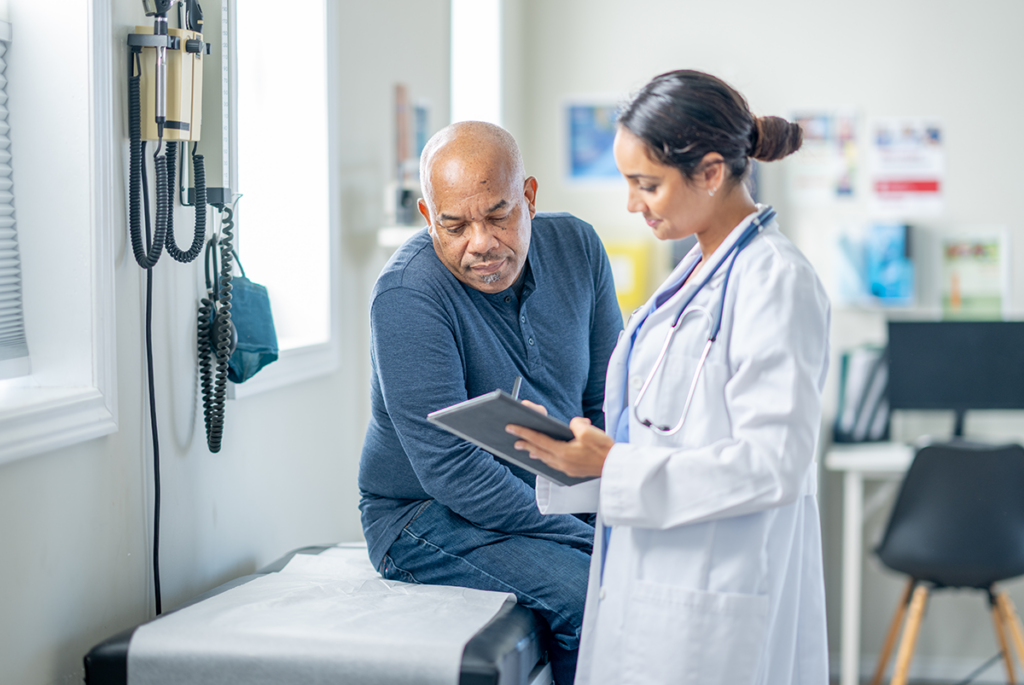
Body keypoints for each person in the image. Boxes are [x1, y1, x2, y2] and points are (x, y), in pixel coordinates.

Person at [507, 70, 831, 684]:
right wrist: (581, 462)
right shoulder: (693, 273)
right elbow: (665, 435)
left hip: (717, 590)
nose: (632, 204)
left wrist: (614, 467)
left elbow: (775, 463)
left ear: (710, 172)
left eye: (646, 184)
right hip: (654, 575)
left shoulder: (775, 281)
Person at [357, 121, 623, 684]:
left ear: (528, 197)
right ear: (430, 220)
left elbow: (606, 402)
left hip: (552, 492)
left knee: (647, 573)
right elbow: (450, 469)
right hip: (424, 515)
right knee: (593, 593)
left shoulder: (578, 247)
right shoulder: (408, 295)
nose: (481, 243)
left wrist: (614, 508)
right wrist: (582, 532)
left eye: (498, 216)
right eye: (454, 226)